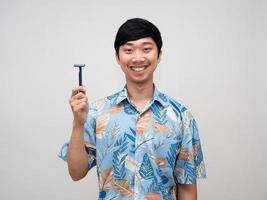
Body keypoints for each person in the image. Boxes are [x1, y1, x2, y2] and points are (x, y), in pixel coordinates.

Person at [59, 18, 206, 200]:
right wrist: (78, 124)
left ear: (159, 55)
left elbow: (187, 187)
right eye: (128, 50)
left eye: (146, 49)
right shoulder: (97, 112)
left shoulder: (181, 117)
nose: (137, 58)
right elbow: (76, 173)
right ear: (118, 57)